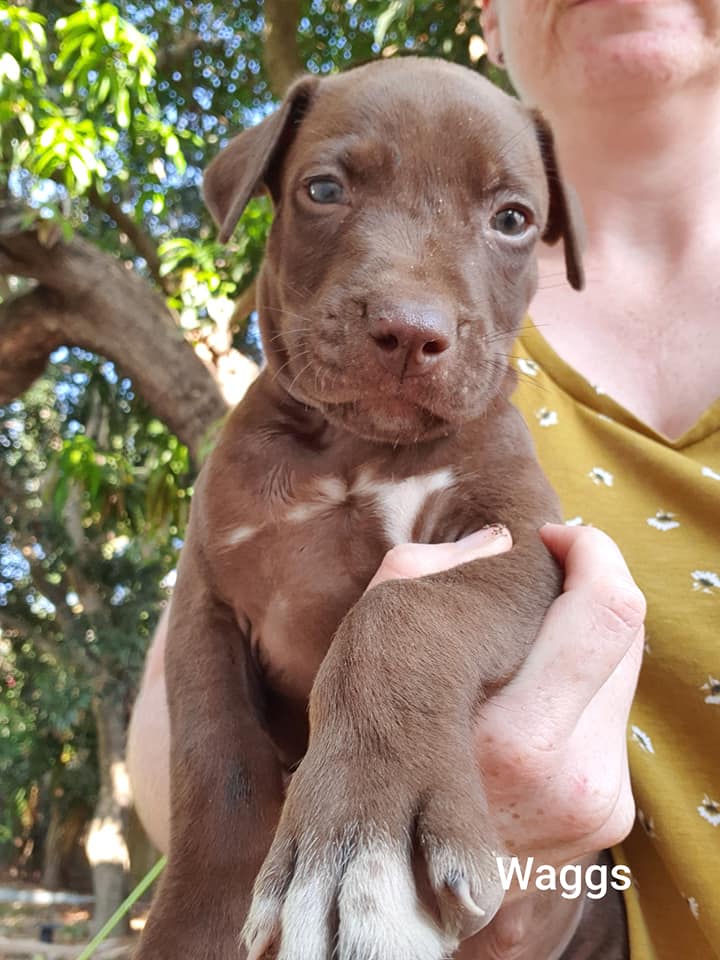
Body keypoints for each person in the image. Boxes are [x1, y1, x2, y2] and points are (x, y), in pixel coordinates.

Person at [127, 1, 720, 956]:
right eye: (328, 191)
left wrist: (399, 657)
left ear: (548, 241)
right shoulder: (259, 449)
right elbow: (202, 692)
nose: (414, 309)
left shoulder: (492, 430)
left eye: (508, 219)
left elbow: (528, 572)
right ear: (488, 13)